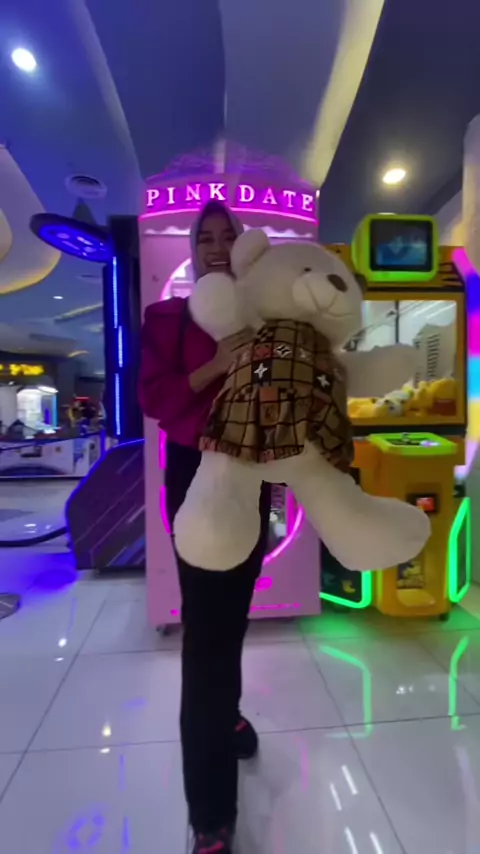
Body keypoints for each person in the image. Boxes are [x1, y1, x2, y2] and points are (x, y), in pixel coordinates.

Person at [138, 201, 271, 854]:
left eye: (227, 236)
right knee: (205, 635)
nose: (217, 247)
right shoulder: (168, 318)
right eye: (206, 237)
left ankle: (230, 715)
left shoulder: (264, 317)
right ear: (192, 250)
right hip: (194, 473)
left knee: (234, 614)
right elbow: (155, 398)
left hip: (253, 471)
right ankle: (211, 815)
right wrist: (218, 363)